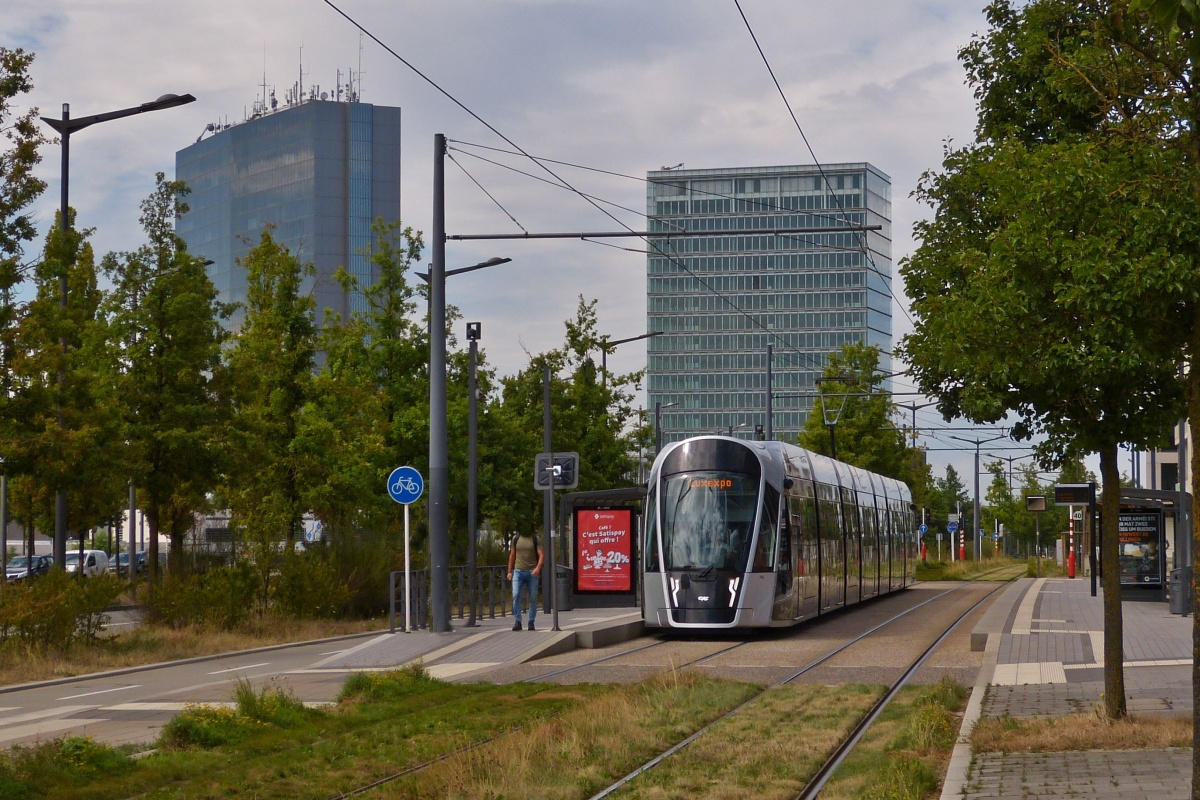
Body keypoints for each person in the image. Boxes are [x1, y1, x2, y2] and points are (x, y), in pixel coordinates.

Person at [507, 531, 544, 631]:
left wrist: (538, 568)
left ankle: (531, 621)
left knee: (533, 597)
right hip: (518, 571)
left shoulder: (535, 538)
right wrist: (509, 571)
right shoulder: (516, 538)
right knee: (515, 595)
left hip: (532, 572)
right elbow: (512, 555)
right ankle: (518, 621)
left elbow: (541, 555)